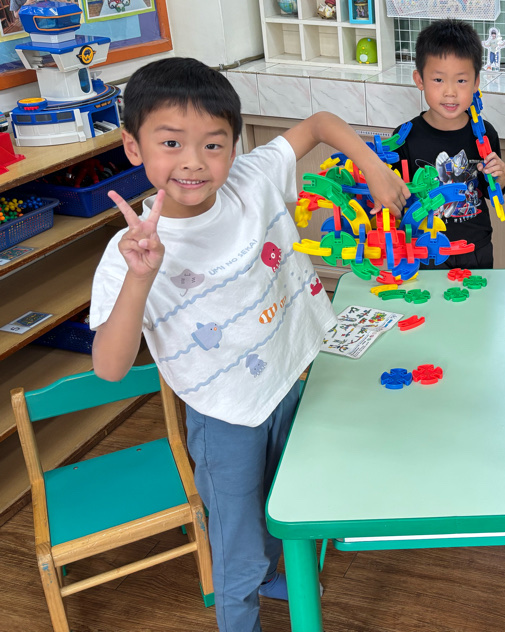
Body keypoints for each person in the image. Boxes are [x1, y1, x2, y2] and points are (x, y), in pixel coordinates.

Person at [89, 57, 409, 632]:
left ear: (234, 148)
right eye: (170, 143)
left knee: (285, 498)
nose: (193, 161)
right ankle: (243, 608)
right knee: (236, 547)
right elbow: (110, 368)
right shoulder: (129, 252)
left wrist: (373, 167)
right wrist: (140, 277)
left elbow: (319, 123)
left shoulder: (250, 179)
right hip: (225, 414)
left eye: (213, 144)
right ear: (133, 147)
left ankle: (274, 575)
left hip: (288, 377)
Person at [394, 19, 505, 269]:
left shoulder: (485, 134)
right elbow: (394, 199)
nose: (450, 92)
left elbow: (492, 192)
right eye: (438, 80)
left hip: (475, 249)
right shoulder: (404, 137)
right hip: (423, 249)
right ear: (419, 79)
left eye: (461, 81)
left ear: (476, 82)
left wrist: (500, 179)